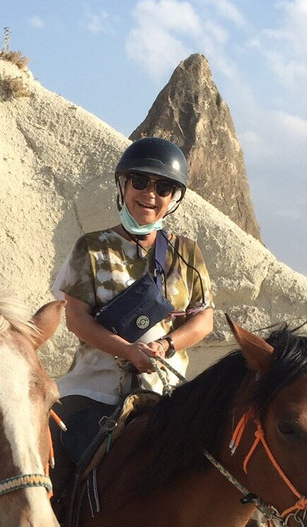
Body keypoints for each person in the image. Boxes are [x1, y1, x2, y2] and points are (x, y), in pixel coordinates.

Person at [49, 136, 214, 494]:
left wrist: (167, 345)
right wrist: (127, 351)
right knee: (51, 450)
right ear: (122, 185)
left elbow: (204, 318)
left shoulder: (186, 252)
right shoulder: (90, 248)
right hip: (94, 388)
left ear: (173, 198)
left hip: (166, 390)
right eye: (139, 181)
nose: (150, 194)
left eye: (164, 187)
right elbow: (77, 319)